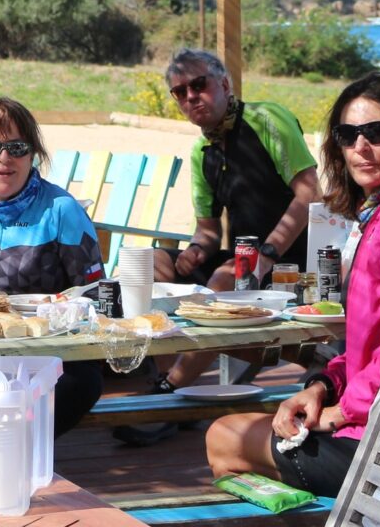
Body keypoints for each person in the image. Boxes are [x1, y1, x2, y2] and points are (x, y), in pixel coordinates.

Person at [205, 71, 380, 498]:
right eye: (348, 134)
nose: (361, 147)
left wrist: (339, 414)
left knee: (226, 437)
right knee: (258, 428)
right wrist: (324, 387)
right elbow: (371, 348)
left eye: (378, 132)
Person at [120, 49, 320, 445]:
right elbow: (209, 230)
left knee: (223, 281)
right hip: (242, 258)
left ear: (225, 85)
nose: (191, 96)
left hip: (293, 263)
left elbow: (310, 194)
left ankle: (168, 394)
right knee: (152, 265)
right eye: (180, 92)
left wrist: (269, 252)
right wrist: (195, 250)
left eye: (199, 84)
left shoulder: (266, 120)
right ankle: (166, 382)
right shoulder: (202, 152)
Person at [0, 97, 107, 436]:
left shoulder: (62, 210)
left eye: (16, 147)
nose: (4, 158)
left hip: (49, 357)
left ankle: (11, 453)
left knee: (83, 383)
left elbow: (97, 296)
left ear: (33, 154)